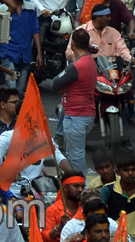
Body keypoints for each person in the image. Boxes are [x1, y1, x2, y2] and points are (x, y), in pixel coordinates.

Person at [42, 27, 98, 176]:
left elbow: (55, 82)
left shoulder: (77, 66)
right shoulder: (90, 62)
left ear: (72, 44)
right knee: (74, 152)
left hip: (76, 115)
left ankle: (80, 184)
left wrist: (63, 87)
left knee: (75, 155)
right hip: (86, 114)